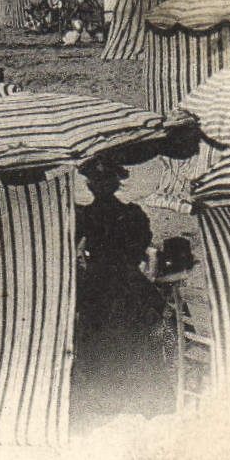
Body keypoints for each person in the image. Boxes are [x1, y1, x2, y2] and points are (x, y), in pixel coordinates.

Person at [72, 157, 170, 417]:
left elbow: (74, 245)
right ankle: (128, 399)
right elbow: (140, 249)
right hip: (125, 284)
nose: (99, 186)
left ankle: (107, 400)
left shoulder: (85, 215)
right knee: (130, 340)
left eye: (100, 181)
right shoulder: (131, 214)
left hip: (102, 286)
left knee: (105, 341)